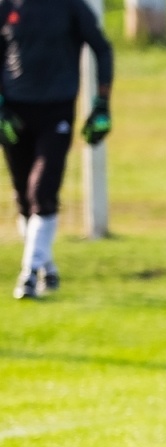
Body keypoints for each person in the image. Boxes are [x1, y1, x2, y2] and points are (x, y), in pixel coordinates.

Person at [0, 0, 113, 300]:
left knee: (43, 191)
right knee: (24, 198)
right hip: (14, 111)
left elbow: (102, 48)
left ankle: (28, 274)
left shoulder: (69, 6)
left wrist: (101, 104)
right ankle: (45, 266)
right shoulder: (7, 6)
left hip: (56, 110)